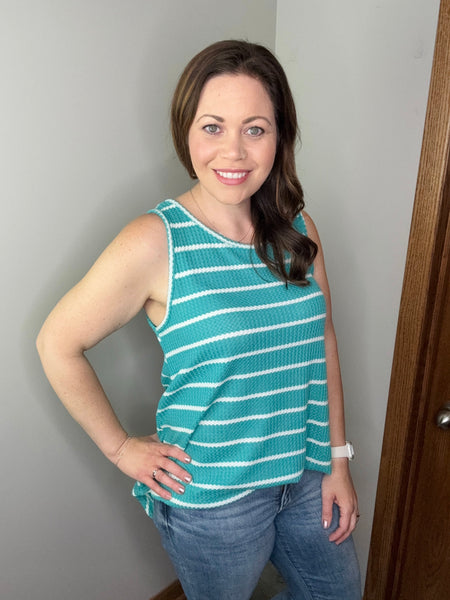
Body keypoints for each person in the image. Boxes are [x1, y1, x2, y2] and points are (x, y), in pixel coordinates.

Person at [37, 40, 361, 599]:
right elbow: (56, 343)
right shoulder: (155, 241)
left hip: (307, 473)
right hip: (215, 501)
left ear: (279, 136)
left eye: (255, 129)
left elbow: (322, 342)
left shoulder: (297, 229)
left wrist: (338, 460)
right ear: (186, 132)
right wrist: (120, 449)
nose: (233, 151)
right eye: (213, 127)